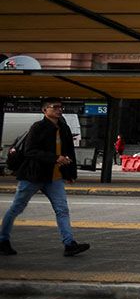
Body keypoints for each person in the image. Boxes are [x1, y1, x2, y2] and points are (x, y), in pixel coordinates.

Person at [0, 97, 90, 257]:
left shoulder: (64, 127)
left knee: (62, 209)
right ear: (45, 110)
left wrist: (71, 173)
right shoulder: (38, 127)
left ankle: (69, 244)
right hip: (33, 176)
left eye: (60, 107)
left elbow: (69, 152)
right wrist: (55, 158)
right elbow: (30, 151)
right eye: (54, 107)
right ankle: (3, 240)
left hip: (54, 178)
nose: (58, 110)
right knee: (16, 208)